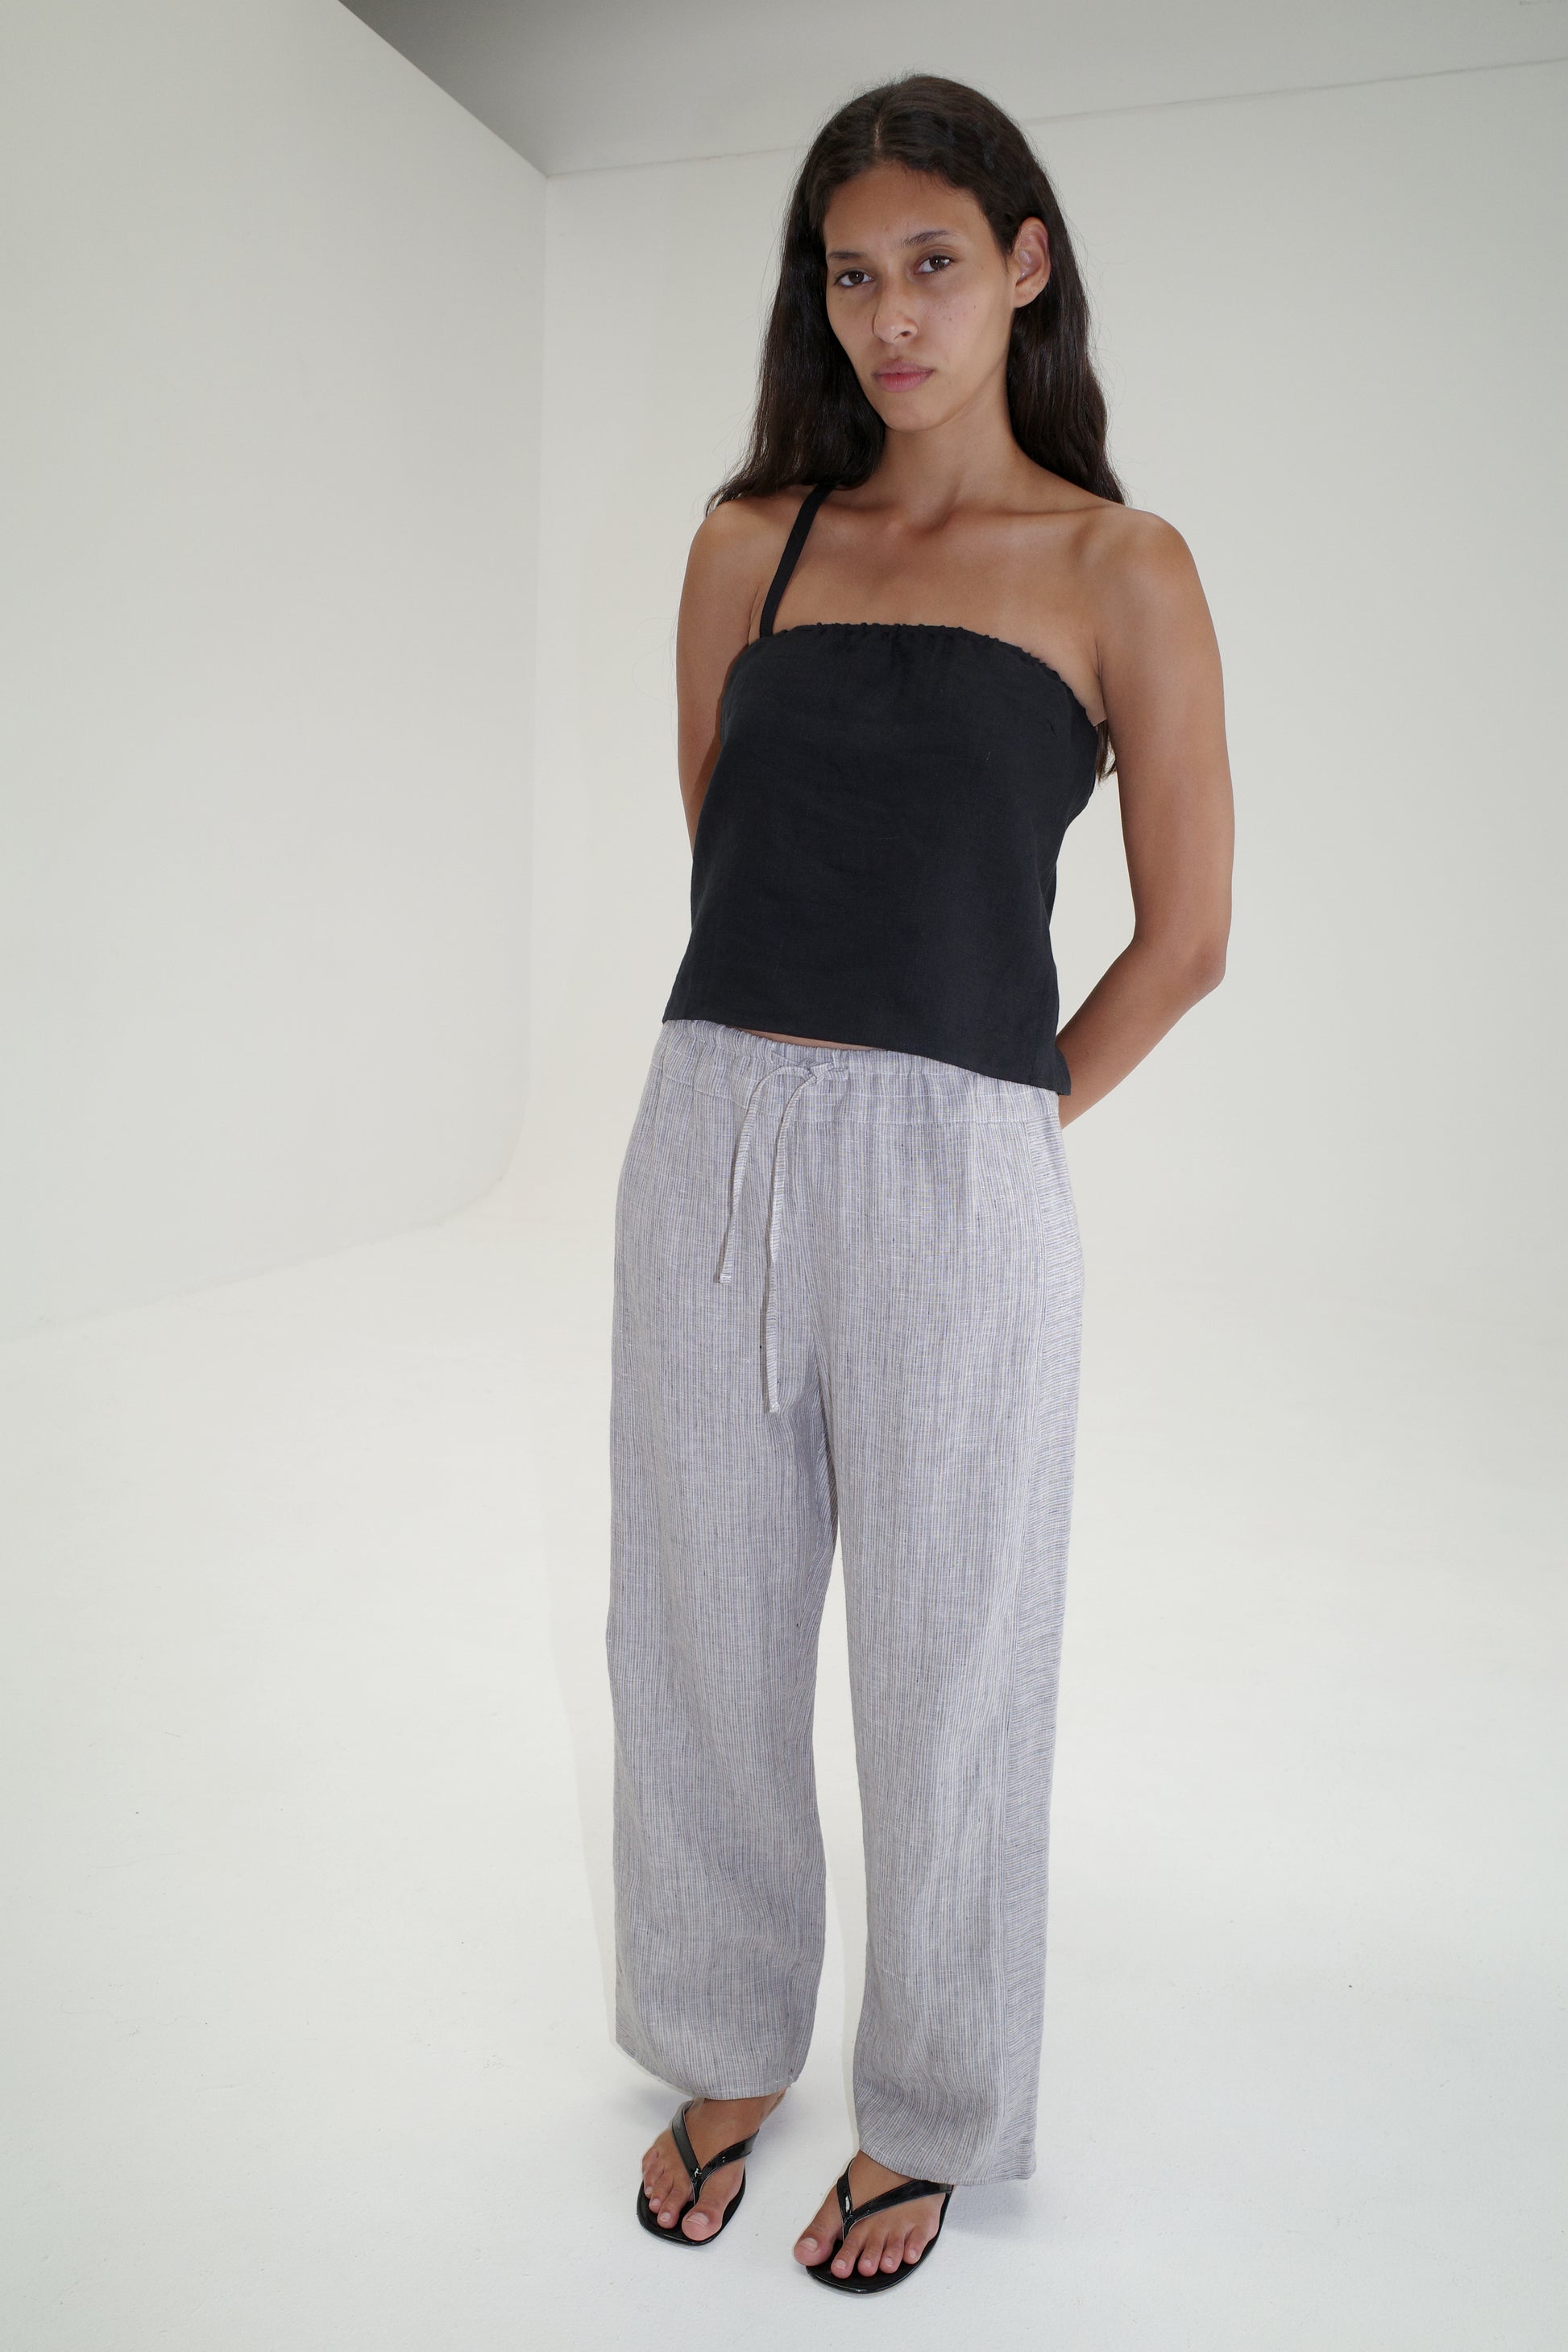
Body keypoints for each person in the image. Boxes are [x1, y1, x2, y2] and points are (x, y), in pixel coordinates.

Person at [607, 72, 1233, 2294]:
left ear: (1024, 263)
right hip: (705, 1135)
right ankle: (718, 2034)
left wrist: (990, 1115)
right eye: (850, 275)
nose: (890, 316)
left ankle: (939, 2102)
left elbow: (1183, 941)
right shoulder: (741, 544)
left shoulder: (1113, 566)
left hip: (962, 1160)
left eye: (933, 266)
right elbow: (735, 844)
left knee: (954, 1659)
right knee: (693, 1624)